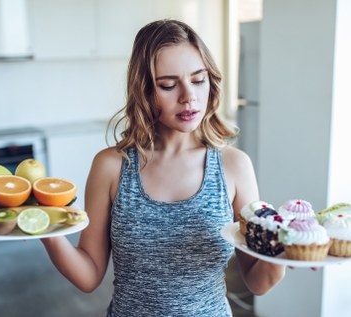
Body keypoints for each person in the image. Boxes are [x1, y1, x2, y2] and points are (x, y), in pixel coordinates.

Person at [41, 19, 285, 316]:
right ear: (144, 91)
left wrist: (283, 250)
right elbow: (89, 275)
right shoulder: (112, 167)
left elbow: (258, 282)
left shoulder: (234, 166)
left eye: (198, 79)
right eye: (168, 85)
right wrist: (44, 227)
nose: (188, 96)